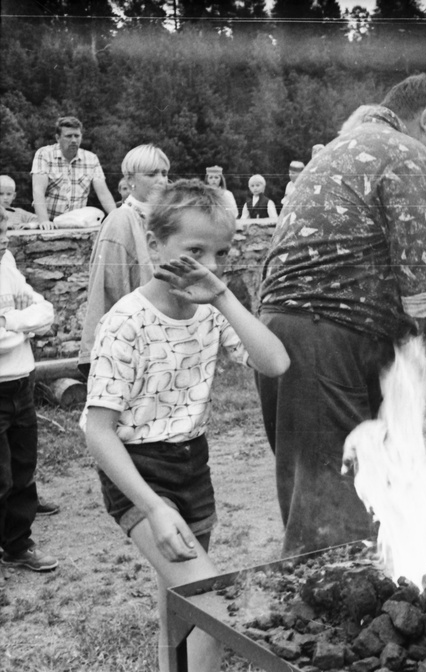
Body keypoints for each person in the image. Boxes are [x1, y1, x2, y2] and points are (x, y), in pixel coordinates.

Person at [257, 73, 426, 556]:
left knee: (337, 500)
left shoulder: (344, 149)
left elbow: (359, 275)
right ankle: (330, 624)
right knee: (331, 525)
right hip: (323, 342)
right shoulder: (406, 153)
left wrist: (410, 368)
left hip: (290, 338)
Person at [82, 179, 290, 672]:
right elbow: (98, 430)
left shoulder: (210, 311)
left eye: (221, 252)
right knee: (209, 602)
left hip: (192, 464)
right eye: (195, 250)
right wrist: (152, 507)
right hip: (139, 470)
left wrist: (221, 298)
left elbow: (275, 362)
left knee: (179, 600)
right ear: (154, 245)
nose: (209, 266)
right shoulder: (124, 323)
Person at [78, 144, 170, 379]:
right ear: (130, 180)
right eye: (151, 174)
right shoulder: (119, 221)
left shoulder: (164, 220)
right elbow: (107, 291)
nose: (161, 180)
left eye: (164, 173)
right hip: (131, 346)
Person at [0, 211, 58, 572]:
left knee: (23, 470)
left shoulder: (7, 261)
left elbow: (46, 311)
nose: (2, 237)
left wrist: (9, 320)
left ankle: (18, 544)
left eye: (3, 228)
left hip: (22, 382)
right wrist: (23, 326)